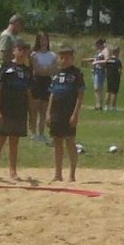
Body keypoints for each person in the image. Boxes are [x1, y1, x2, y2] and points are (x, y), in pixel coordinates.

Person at [0, 39, 33, 180]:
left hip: (19, 110)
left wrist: (31, 114)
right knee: (0, 140)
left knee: (14, 142)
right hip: (5, 109)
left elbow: (29, 94)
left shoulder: (27, 71)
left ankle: (12, 171)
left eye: (25, 50)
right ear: (14, 50)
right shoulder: (5, 67)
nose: (22, 53)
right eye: (19, 49)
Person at [47, 46, 84, 182]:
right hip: (56, 111)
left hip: (69, 112)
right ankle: (58, 174)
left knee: (70, 141)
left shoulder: (77, 74)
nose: (64, 60)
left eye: (67, 57)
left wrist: (75, 114)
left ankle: (72, 174)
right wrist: (48, 113)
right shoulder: (56, 74)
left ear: (72, 58)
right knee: (57, 142)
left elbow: (80, 95)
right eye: (61, 57)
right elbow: (52, 94)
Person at [27, 32, 56, 143]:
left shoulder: (52, 55)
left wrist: (45, 70)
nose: (44, 42)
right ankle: (33, 132)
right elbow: (37, 70)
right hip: (36, 82)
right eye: (41, 39)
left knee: (44, 110)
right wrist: (46, 69)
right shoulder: (34, 55)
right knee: (34, 109)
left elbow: (53, 70)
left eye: (45, 39)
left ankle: (41, 133)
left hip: (47, 82)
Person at [90, 38, 119, 111]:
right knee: (96, 88)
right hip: (95, 70)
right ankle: (98, 104)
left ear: (100, 44)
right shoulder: (99, 51)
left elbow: (106, 60)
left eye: (97, 44)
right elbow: (96, 59)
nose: (96, 46)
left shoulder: (106, 50)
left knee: (98, 88)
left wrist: (96, 62)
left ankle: (100, 105)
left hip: (100, 71)